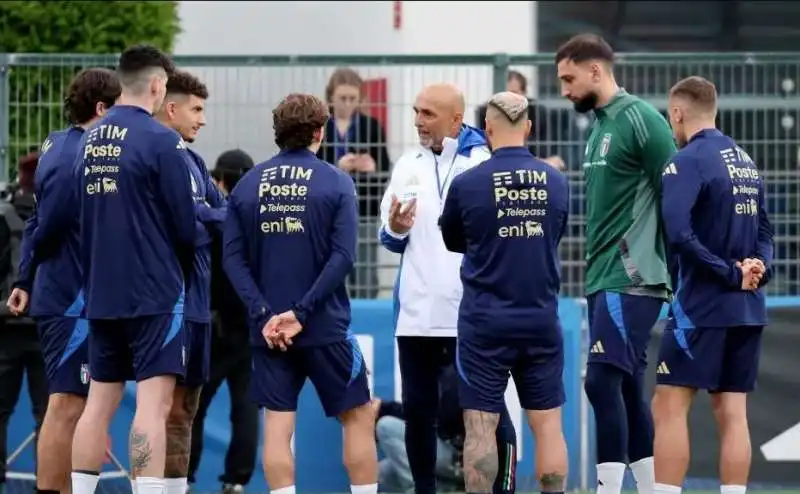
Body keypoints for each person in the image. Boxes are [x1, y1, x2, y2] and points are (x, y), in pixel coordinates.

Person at [222, 93, 377, 494]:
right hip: (325, 326)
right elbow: (343, 257)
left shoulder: (246, 186)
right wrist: (303, 312)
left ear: (277, 133)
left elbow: (233, 261)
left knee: (277, 425)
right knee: (358, 417)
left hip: (269, 330)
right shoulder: (336, 180)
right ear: (319, 131)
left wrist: (263, 313)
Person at [378, 83, 517, 494]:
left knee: (489, 413)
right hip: (417, 316)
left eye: (428, 114)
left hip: (469, 314)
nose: (419, 121)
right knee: (419, 415)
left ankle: (503, 489)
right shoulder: (407, 164)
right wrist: (395, 227)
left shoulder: (482, 162)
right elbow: (389, 236)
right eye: (416, 112)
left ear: (457, 119)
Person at [69, 45, 195, 494]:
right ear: (159, 85)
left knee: (98, 403)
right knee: (153, 406)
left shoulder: (89, 139)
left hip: (101, 289)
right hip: (154, 294)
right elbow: (185, 225)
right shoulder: (163, 141)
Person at [555, 33, 676, 494]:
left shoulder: (641, 119)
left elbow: (676, 195)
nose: (564, 90)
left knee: (600, 381)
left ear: (595, 71)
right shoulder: (600, 128)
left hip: (632, 277)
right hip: (603, 277)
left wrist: (677, 271)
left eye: (569, 79)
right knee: (623, 386)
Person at [439, 91, 569, 494]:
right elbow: (553, 236)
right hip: (540, 317)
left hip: (485, 322)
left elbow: (453, 239)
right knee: (547, 425)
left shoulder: (467, 184)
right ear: (528, 128)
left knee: (481, 426)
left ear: (488, 128)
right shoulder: (557, 181)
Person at [652, 76, 774, 494]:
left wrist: (728, 273)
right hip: (748, 307)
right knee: (733, 411)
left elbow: (678, 234)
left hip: (700, 308)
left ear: (678, 113)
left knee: (668, 404)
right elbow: (766, 234)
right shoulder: (745, 159)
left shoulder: (686, 160)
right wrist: (758, 269)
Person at [6, 68, 120, 494]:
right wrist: (31, 273)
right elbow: (49, 218)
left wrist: (25, 276)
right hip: (71, 294)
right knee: (67, 404)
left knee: (75, 403)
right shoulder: (82, 150)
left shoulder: (57, 142)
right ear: (101, 108)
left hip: (66, 289)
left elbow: (38, 218)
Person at [153, 70, 225, 494]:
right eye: (196, 110)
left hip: (199, 307)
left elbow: (225, 215)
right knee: (158, 408)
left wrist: (205, 217)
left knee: (186, 411)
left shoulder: (196, 162)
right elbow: (178, 229)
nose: (202, 119)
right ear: (172, 107)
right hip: (167, 306)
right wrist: (204, 221)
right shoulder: (158, 157)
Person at [189, 149, 258, 494]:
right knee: (245, 409)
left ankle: (184, 478)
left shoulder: (212, 217)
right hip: (250, 326)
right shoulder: (261, 219)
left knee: (194, 408)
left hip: (212, 327)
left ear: (219, 180)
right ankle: (237, 480)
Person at [375, 365, 516, 493]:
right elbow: (423, 416)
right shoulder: (443, 374)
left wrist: (503, 487)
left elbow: (505, 434)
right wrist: (383, 407)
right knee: (383, 473)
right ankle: (447, 487)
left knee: (386, 426)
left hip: (465, 461)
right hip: (448, 454)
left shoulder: (462, 376)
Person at [317, 67, 392, 299]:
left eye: (353, 99)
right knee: (330, 270)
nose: (348, 104)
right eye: (342, 98)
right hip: (328, 211)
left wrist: (371, 167)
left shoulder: (371, 126)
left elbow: (384, 166)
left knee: (365, 273)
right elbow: (311, 165)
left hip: (364, 209)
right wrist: (337, 166)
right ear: (331, 98)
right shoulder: (320, 127)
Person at [0, 150, 48, 493]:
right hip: (49, 327)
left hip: (4, 327)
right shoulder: (58, 216)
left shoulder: (3, 217)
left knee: (0, 409)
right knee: (49, 414)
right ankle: (47, 482)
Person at [475, 70, 565, 169]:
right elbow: (483, 150)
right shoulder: (484, 113)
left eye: (513, 93)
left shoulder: (538, 113)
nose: (507, 98)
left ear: (524, 93)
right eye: (503, 93)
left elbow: (547, 150)